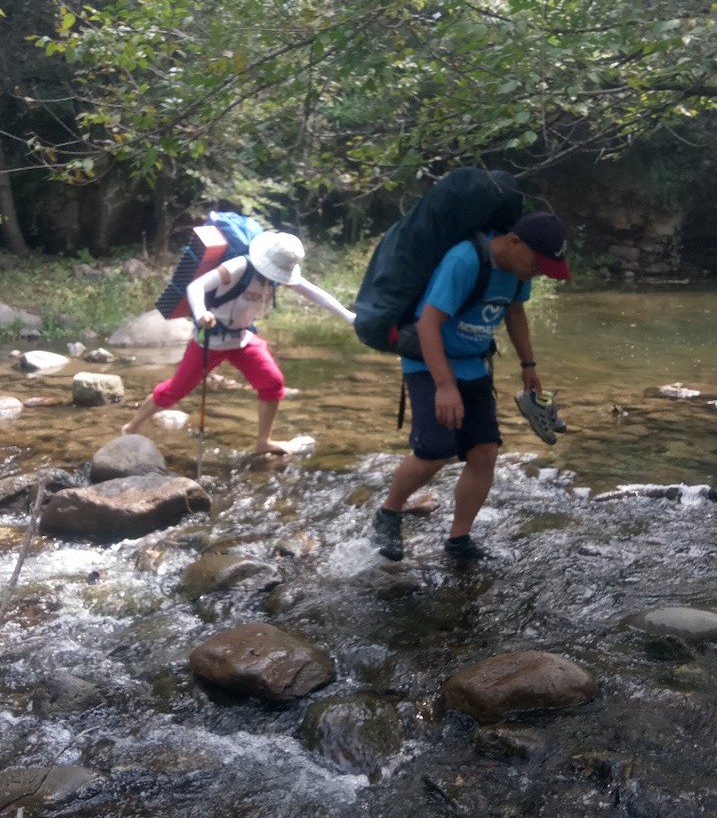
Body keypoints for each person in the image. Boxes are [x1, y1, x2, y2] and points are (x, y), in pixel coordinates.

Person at [372, 211, 570, 562]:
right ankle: (388, 513)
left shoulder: (518, 270)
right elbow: (429, 324)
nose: (537, 272)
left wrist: (528, 365)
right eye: (537, 264)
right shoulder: (464, 260)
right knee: (435, 451)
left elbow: (515, 313)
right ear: (514, 241)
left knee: (485, 451)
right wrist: (445, 387)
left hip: (474, 363)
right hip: (429, 360)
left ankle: (458, 539)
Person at [122, 230, 356, 455]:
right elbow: (196, 287)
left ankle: (263, 442)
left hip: (242, 339)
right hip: (211, 340)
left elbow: (314, 293)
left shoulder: (275, 275)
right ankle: (131, 427)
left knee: (272, 383)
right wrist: (202, 312)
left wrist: (348, 316)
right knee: (175, 390)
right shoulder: (240, 266)